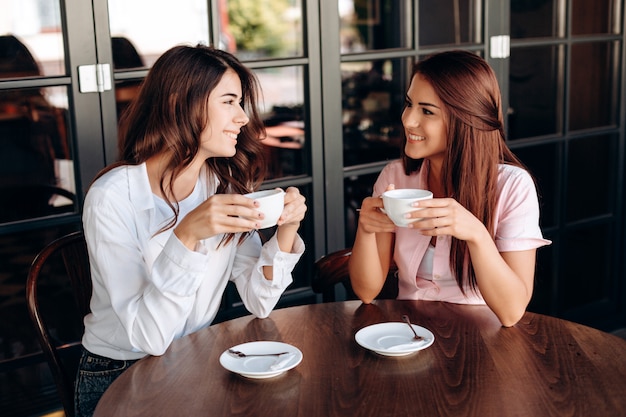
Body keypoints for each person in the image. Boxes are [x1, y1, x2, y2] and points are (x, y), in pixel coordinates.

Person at [75, 44, 307, 416]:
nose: (243, 118)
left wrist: (286, 230)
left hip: (196, 358)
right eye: (229, 101)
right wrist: (187, 236)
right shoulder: (113, 197)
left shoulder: (219, 183)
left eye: (241, 103)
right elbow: (149, 337)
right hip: (121, 374)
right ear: (179, 103)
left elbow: (258, 299)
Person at [348, 50, 550, 328]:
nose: (408, 120)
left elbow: (511, 311)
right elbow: (366, 291)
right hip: (410, 334)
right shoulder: (395, 178)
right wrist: (366, 229)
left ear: (465, 119)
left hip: (482, 339)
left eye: (427, 111)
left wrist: (476, 234)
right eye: (409, 104)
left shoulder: (513, 186)